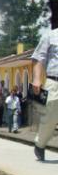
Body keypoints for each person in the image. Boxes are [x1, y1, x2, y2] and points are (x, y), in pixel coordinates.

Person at [31, 27, 58, 161]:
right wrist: (36, 79)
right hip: (54, 82)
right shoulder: (50, 36)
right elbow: (37, 58)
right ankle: (40, 144)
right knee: (50, 117)